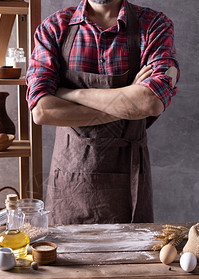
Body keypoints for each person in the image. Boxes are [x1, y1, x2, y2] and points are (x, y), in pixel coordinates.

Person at [26, 0, 180, 225]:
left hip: (129, 179)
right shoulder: (54, 27)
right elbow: (42, 110)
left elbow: (150, 102)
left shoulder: (154, 25)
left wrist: (71, 94)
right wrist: (127, 101)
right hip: (70, 180)